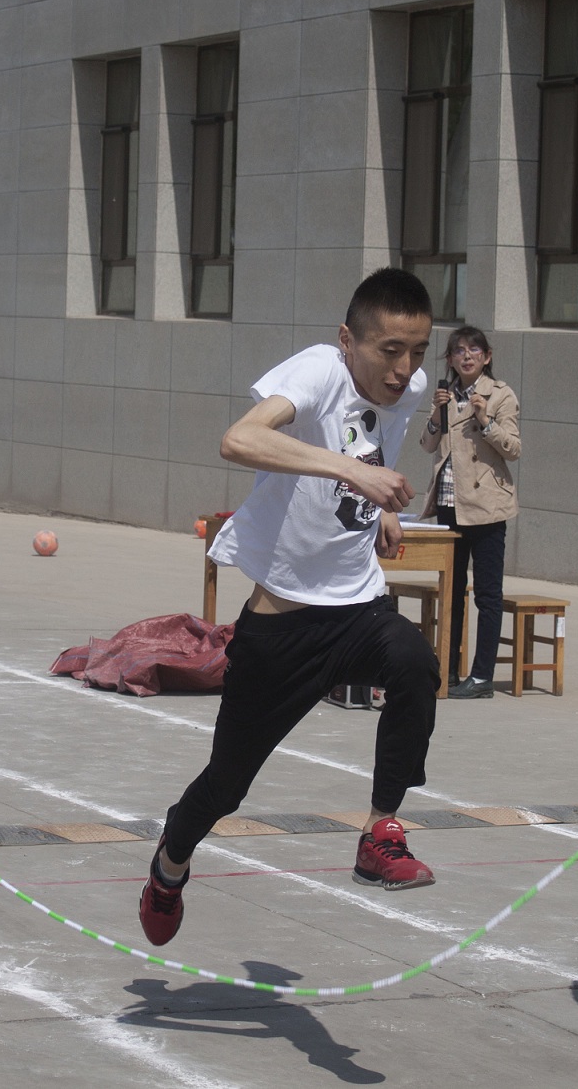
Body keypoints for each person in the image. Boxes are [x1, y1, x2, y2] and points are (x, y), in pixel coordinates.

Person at [138, 267, 445, 946]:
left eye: (418, 351)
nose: (404, 369)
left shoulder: (411, 389)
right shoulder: (317, 371)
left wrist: (377, 509)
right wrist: (353, 472)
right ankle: (170, 863)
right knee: (225, 786)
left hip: (357, 608)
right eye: (389, 350)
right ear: (347, 341)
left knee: (414, 664)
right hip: (282, 626)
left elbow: (368, 442)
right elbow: (239, 439)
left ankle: (380, 832)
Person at [418, 325, 520, 698]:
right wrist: (436, 412)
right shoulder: (445, 396)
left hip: (487, 506)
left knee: (487, 595)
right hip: (450, 504)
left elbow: (513, 449)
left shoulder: (500, 394)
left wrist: (485, 420)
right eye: (459, 350)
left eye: (474, 350)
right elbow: (428, 444)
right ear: (449, 359)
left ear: (486, 357)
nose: (466, 356)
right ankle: (448, 670)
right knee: (452, 590)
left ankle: (481, 677)